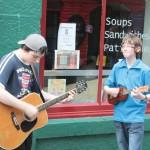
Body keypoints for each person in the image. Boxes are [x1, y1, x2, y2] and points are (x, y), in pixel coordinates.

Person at [0, 33, 75, 150]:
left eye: (40, 58)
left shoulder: (32, 67)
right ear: (26, 49)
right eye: (35, 57)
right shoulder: (10, 60)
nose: (38, 61)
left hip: (25, 123)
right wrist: (25, 107)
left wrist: (60, 98)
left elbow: (39, 94)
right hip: (8, 122)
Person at [103, 33, 150, 150]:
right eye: (123, 45)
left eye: (129, 45)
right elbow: (106, 87)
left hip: (135, 119)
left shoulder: (145, 70)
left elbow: (148, 92)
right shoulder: (117, 67)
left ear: (137, 49)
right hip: (118, 117)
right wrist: (112, 90)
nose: (124, 48)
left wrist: (142, 97)